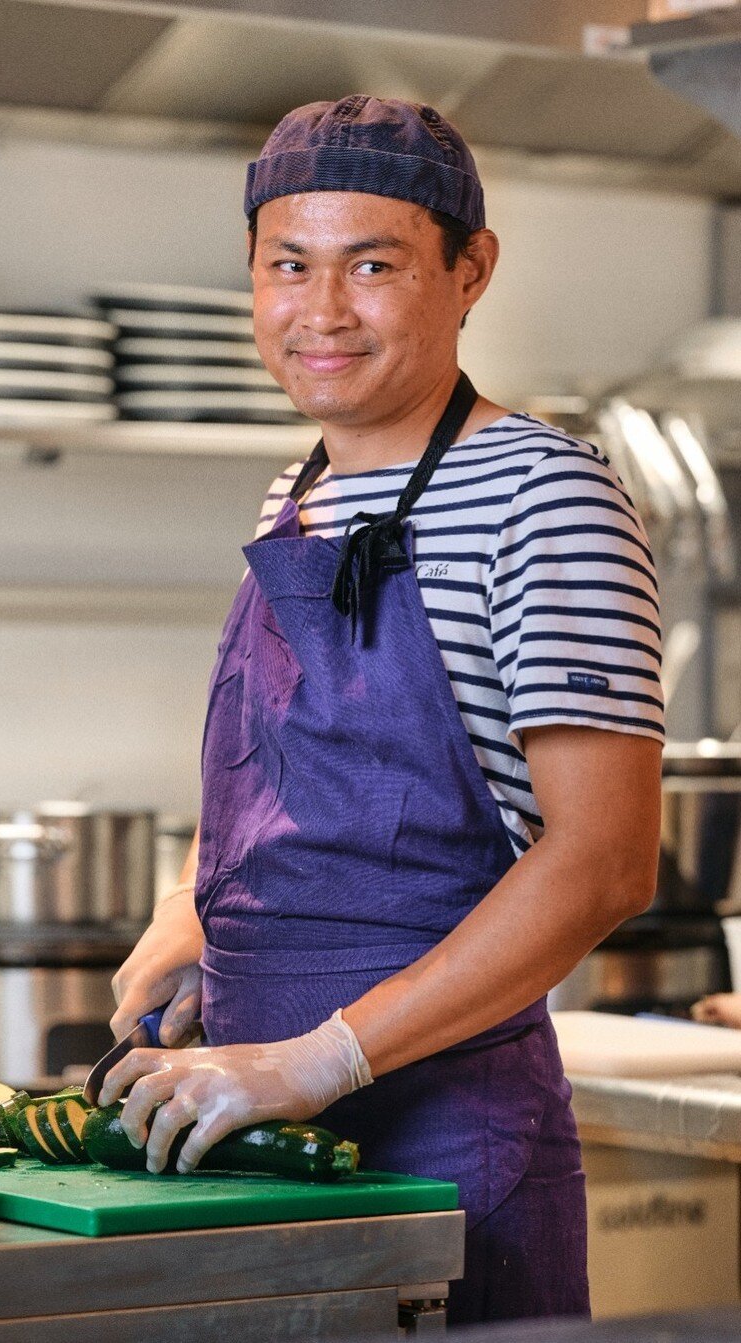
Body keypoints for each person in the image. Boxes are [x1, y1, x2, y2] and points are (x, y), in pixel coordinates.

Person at [102, 96, 663, 1325]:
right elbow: (279, 772)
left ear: (470, 272)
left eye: (374, 265)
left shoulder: (546, 496)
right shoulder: (293, 495)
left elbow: (607, 859)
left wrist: (324, 1054)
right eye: (287, 266)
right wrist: (192, 905)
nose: (322, 311)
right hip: (250, 1123)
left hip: (442, 1138)